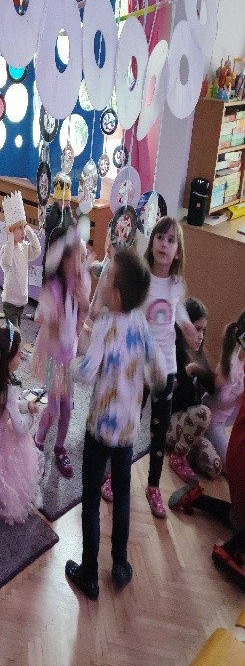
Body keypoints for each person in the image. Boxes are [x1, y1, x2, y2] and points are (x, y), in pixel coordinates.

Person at [65, 249, 166, 600]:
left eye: (107, 276)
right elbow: (159, 370)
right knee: (122, 495)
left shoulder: (106, 326)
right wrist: (152, 382)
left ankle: (89, 574)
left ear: (117, 295)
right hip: (126, 433)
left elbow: (87, 371)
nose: (102, 278)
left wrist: (70, 365)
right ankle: (120, 564)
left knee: (91, 499)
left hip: (99, 432)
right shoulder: (140, 322)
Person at [140, 217, 199, 518]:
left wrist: (187, 327)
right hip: (139, 365)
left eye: (171, 240)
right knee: (129, 422)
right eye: (160, 238)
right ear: (151, 243)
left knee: (159, 430)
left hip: (166, 367)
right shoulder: (142, 278)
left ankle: (153, 486)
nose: (164, 244)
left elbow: (178, 310)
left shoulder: (176, 284)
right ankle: (112, 473)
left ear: (177, 252)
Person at [169, 382, 245, 591]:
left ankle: (198, 499)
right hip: (240, 463)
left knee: (239, 519)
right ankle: (230, 550)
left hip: (235, 455)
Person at [32, 226, 90, 478]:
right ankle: (38, 440)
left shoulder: (80, 285)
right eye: (76, 258)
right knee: (53, 408)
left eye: (82, 258)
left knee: (67, 408)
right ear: (64, 260)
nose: (80, 264)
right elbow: (41, 317)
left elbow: (82, 318)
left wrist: (84, 304)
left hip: (69, 357)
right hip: (53, 357)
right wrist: (52, 317)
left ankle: (59, 446)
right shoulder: (54, 288)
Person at [0, 321, 43, 525]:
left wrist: (26, 405)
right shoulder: (8, 388)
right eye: (19, 354)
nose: (22, 358)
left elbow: (9, 405)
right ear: (8, 359)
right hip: (1, 439)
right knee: (23, 442)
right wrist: (31, 417)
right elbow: (19, 428)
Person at [166, 298, 220, 482]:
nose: (201, 336)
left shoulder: (198, 356)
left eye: (204, 330)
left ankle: (186, 452)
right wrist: (187, 372)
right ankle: (178, 457)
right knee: (203, 413)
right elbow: (167, 394)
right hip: (169, 424)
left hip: (190, 429)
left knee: (215, 467)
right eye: (197, 329)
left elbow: (213, 388)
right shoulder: (173, 353)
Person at [203, 311, 245, 470]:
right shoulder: (228, 365)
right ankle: (201, 441)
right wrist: (239, 397)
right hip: (214, 421)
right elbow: (219, 401)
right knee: (231, 466)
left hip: (226, 419)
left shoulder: (240, 364)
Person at [0, 190, 42, 331]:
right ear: (11, 230)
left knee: (14, 333)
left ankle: (9, 344)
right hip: (10, 303)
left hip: (22, 302)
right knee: (14, 335)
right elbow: (6, 263)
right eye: (19, 228)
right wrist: (11, 239)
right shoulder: (6, 248)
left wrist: (29, 231)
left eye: (24, 227)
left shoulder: (25, 247)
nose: (23, 231)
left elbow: (37, 250)